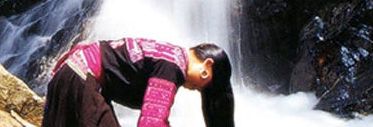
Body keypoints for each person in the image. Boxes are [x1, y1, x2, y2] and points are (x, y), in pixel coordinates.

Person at [41, 37, 234, 127]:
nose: (197, 90)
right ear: (207, 66)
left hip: (72, 75)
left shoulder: (169, 55)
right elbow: (152, 122)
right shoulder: (172, 66)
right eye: (205, 86)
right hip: (81, 78)